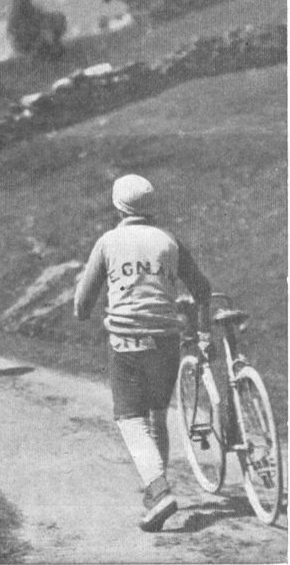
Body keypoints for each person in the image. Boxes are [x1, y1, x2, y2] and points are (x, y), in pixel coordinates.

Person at [74, 174, 212, 532]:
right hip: (166, 339)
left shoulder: (108, 241)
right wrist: (202, 326)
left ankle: (160, 489)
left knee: (129, 418)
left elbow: (81, 305)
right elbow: (201, 287)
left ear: (117, 206)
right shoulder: (168, 240)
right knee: (156, 415)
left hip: (126, 341)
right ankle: (154, 495)